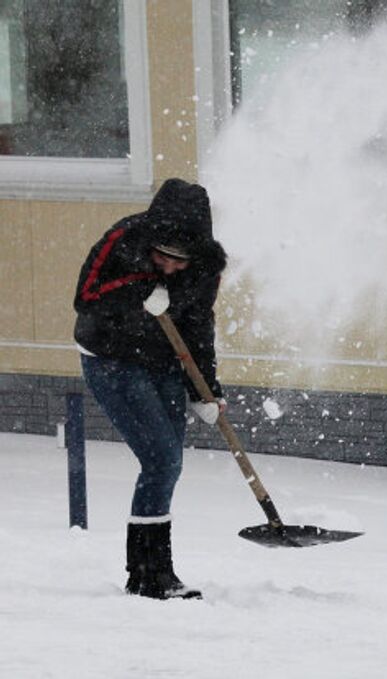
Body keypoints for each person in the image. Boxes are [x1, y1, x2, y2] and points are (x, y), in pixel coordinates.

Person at [73, 178, 227, 600]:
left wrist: (206, 389)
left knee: (169, 462)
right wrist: (140, 289)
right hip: (112, 358)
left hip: (162, 362)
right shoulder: (123, 239)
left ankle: (153, 570)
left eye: (181, 261)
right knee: (161, 460)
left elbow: (198, 325)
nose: (171, 267)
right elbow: (85, 298)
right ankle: (148, 574)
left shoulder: (205, 268)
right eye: (163, 257)